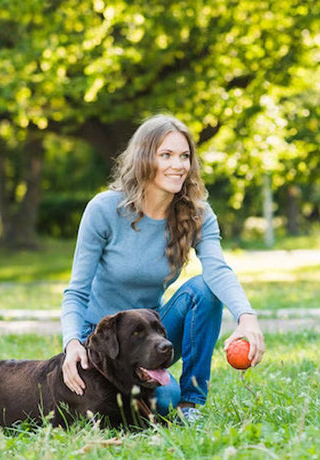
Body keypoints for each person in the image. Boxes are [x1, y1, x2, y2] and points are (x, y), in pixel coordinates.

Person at [60, 114, 265, 424]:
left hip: (148, 335)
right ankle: (169, 399)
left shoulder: (197, 214)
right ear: (144, 158)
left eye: (184, 156)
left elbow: (218, 270)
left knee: (204, 290)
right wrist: (72, 342)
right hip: (101, 341)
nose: (178, 164)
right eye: (166, 155)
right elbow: (76, 291)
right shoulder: (104, 209)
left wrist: (246, 317)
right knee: (161, 399)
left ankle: (191, 404)